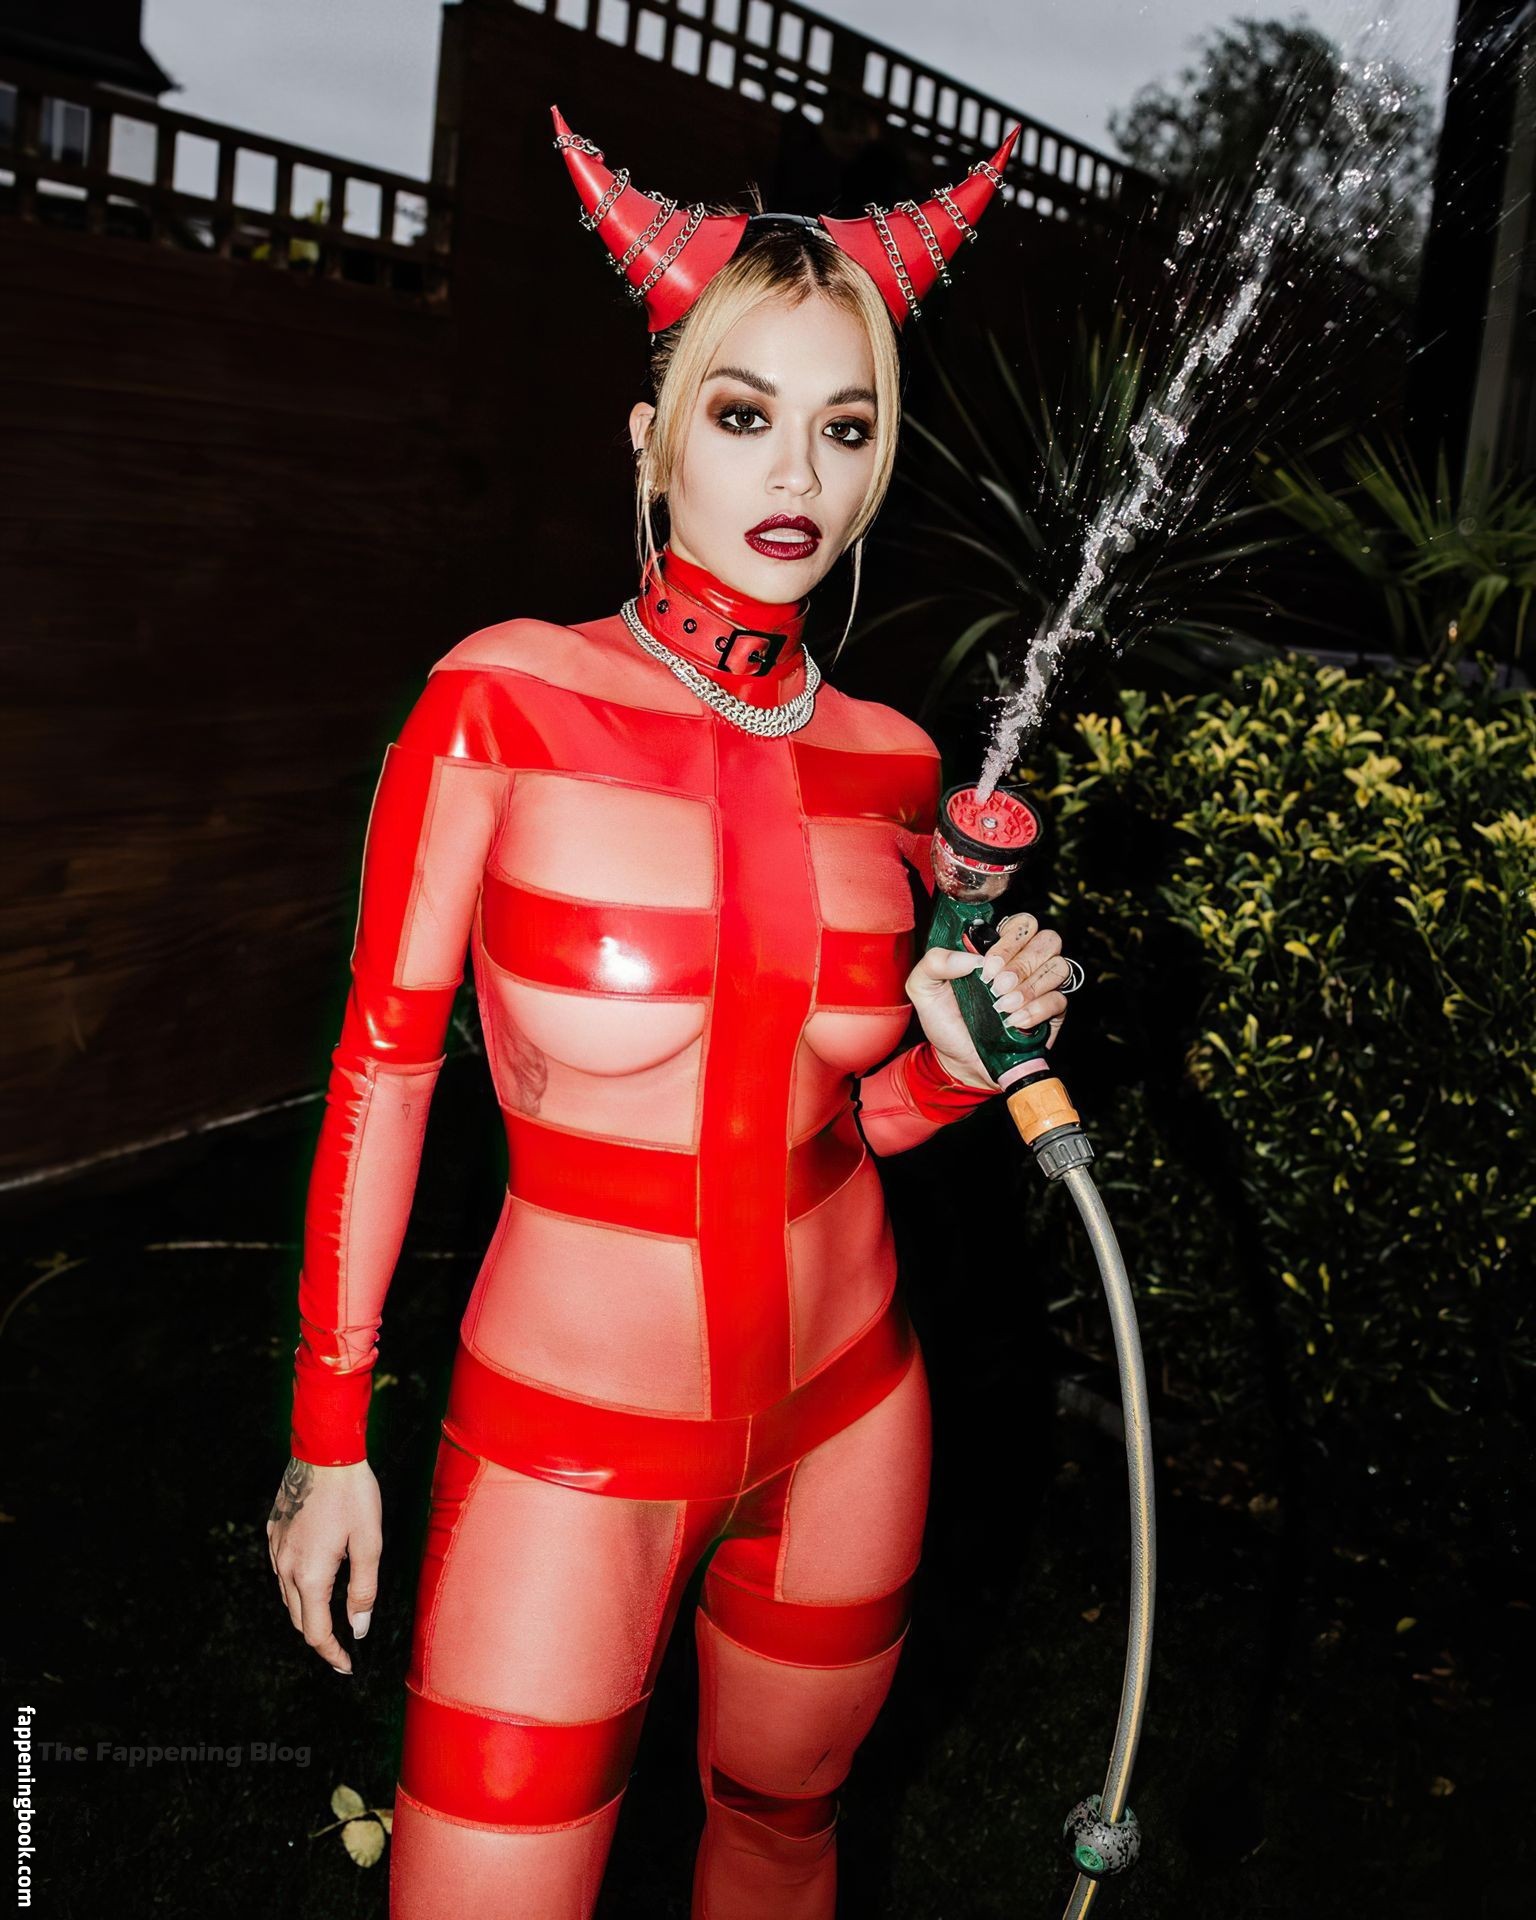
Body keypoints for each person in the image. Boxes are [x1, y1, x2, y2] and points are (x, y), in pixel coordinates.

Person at [267, 106, 1073, 1920]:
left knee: (783, 1836)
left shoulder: (900, 766)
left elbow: (855, 1120)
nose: (796, 470)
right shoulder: (503, 703)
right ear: (652, 439)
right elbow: (384, 1069)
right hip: (567, 1444)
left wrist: (956, 1069)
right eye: (742, 413)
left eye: (843, 427)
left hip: (856, 1413)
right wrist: (328, 1432)